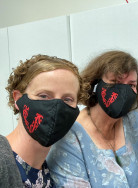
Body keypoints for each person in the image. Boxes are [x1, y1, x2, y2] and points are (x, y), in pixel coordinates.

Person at [47, 50, 138, 187]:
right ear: (94, 84)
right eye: (114, 82)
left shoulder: (135, 122)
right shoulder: (69, 138)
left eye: (131, 85)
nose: (124, 92)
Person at [0, 54, 84, 188]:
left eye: (67, 99)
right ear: (18, 98)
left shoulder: (52, 174)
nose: (56, 107)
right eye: (44, 96)